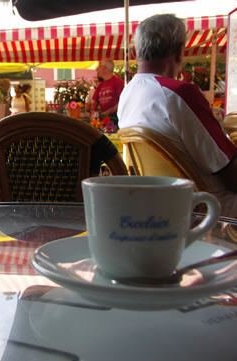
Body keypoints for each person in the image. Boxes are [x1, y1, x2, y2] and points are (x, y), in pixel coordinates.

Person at [118, 14, 237, 218]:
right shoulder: (179, 93)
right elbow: (229, 172)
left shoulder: (128, 94)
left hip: (166, 208)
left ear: (134, 52)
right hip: (212, 210)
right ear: (180, 52)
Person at [91, 58, 124, 125]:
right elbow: (94, 103)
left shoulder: (118, 82)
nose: (97, 69)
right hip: (103, 119)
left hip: (116, 119)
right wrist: (93, 112)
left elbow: (122, 102)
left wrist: (107, 112)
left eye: (99, 66)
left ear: (105, 68)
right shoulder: (100, 85)